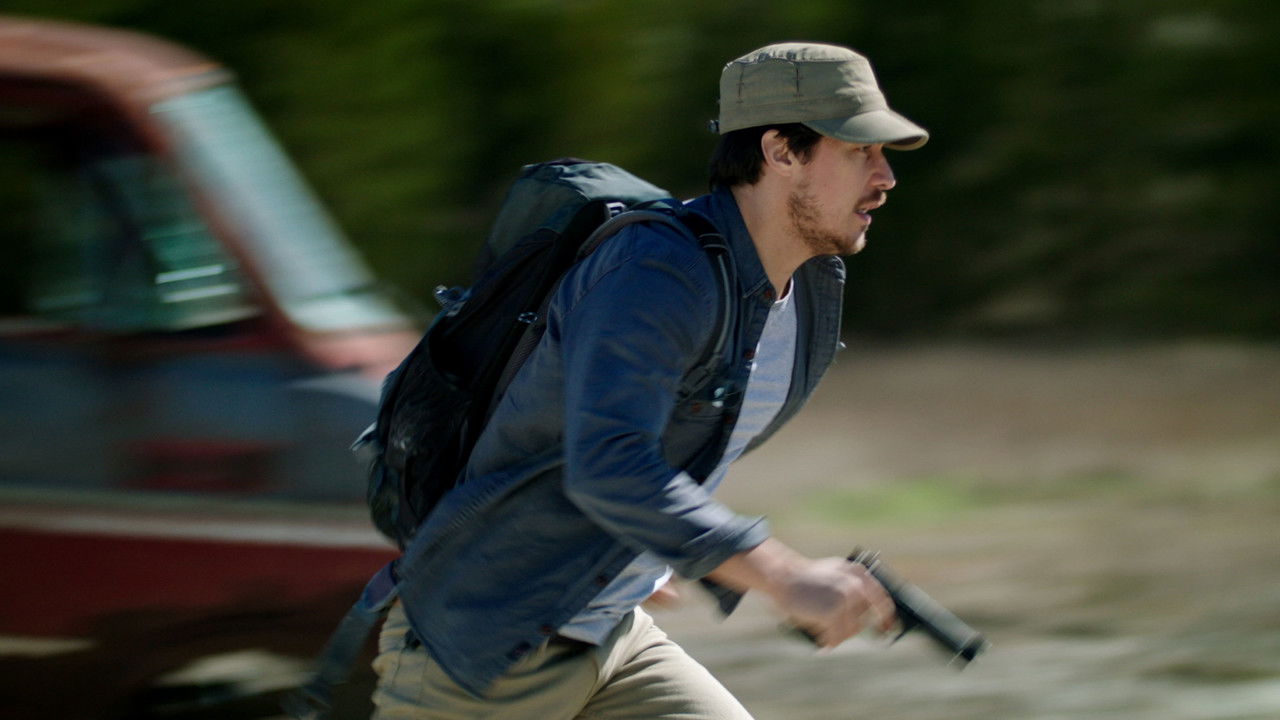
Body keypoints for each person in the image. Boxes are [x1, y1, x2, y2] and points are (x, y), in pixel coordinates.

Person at [371, 41, 929, 719]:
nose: (885, 177)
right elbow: (609, 461)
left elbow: (668, 446)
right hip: (485, 647)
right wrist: (782, 574)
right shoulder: (657, 270)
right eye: (860, 151)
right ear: (781, 151)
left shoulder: (809, 288)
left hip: (614, 636)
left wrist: (640, 546)